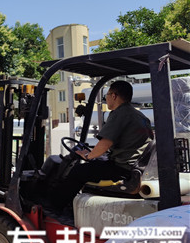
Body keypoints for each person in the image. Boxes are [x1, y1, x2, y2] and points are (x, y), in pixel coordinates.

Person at [51, 80, 154, 211]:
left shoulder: (120, 113)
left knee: (78, 171)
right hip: (134, 165)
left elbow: (105, 143)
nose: (106, 99)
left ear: (114, 96)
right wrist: (94, 154)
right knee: (96, 163)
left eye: (107, 95)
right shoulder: (138, 115)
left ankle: (55, 208)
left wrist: (88, 156)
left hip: (123, 168)